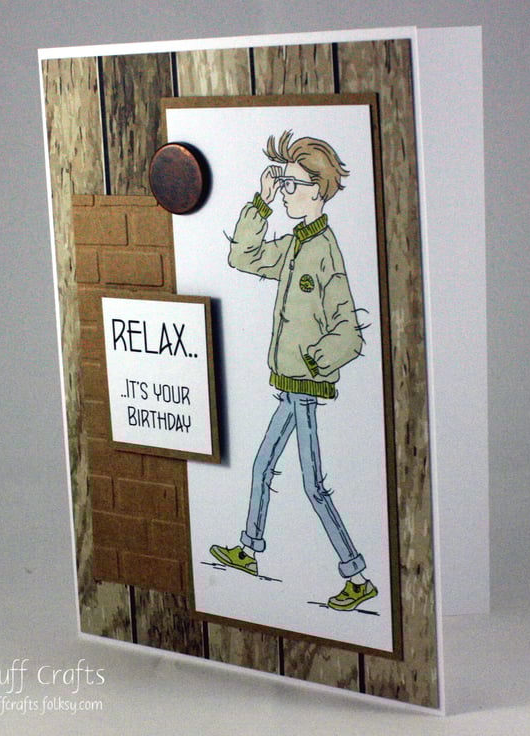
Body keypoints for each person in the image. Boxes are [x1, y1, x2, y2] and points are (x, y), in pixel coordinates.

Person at [210, 131, 377, 612]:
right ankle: (248, 550)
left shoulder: (325, 251)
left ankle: (356, 575)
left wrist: (314, 361)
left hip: (303, 387)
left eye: (292, 185)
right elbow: (242, 256)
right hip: (288, 387)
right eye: (282, 184)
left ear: (318, 191)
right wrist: (260, 204)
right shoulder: (296, 245)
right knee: (263, 465)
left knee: (312, 485)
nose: (285, 193)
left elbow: (350, 331)